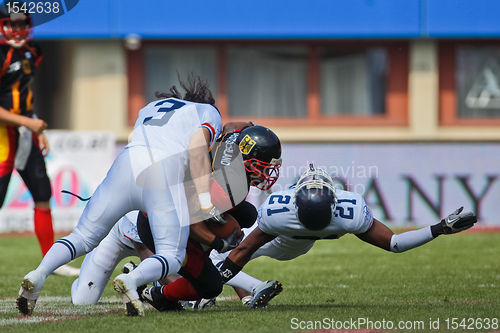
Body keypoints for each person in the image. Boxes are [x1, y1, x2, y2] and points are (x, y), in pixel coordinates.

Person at [16, 74, 223, 316]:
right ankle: (133, 279)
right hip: (162, 171)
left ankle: (38, 273)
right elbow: (197, 148)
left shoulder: (150, 108)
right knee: (171, 255)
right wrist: (206, 200)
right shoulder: (208, 112)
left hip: (125, 164)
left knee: (82, 236)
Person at [214, 164, 478, 308]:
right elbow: (395, 244)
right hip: (295, 248)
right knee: (227, 256)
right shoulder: (349, 210)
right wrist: (439, 228)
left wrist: (212, 279)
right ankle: (245, 295)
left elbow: (242, 252)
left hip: (278, 239)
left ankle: (235, 289)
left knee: (215, 254)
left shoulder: (278, 211)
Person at [0, 2, 78, 276]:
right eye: (13, 23)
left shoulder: (32, 52)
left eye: (23, 24)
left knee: (42, 194)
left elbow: (26, 95)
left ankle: (50, 261)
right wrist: (29, 123)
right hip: (3, 136)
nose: (18, 29)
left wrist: (38, 130)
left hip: (24, 134)